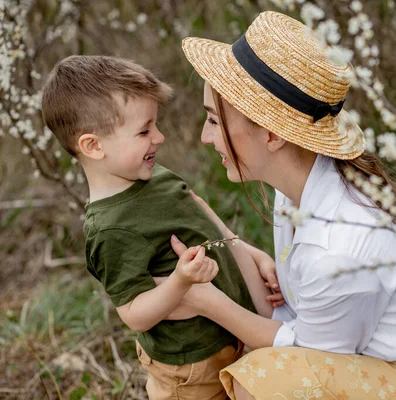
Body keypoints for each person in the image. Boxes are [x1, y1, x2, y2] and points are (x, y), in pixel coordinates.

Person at [167, 10, 396, 400]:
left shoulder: (339, 246)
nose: (203, 136)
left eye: (213, 120)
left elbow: (308, 362)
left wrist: (207, 303)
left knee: (262, 379)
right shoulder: (301, 187)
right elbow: (295, 323)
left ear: (270, 134)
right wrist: (228, 239)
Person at [41, 55, 281, 400]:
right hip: (191, 365)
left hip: (231, 333)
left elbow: (201, 217)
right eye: (144, 130)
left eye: (155, 124)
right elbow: (135, 314)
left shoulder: (154, 177)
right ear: (93, 146)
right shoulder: (111, 229)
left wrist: (250, 253)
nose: (160, 136)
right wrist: (181, 282)